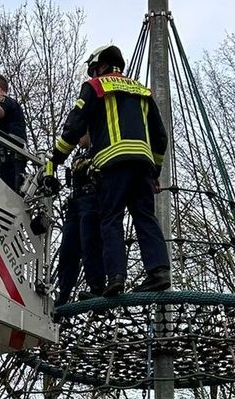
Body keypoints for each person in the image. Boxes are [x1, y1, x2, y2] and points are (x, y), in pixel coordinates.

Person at [47, 44, 170, 296]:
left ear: (101, 66)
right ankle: (159, 272)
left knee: (110, 218)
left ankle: (116, 278)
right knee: (145, 216)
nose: (92, 76)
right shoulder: (142, 91)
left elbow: (74, 126)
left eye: (93, 70)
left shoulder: (95, 87)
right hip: (143, 165)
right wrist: (155, 170)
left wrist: (56, 158)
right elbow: (160, 136)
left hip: (113, 164)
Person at [53, 144, 104, 305]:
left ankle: (97, 288)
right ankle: (63, 293)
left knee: (91, 243)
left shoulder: (100, 145)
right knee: (68, 249)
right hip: (75, 204)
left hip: (92, 200)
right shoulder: (79, 153)